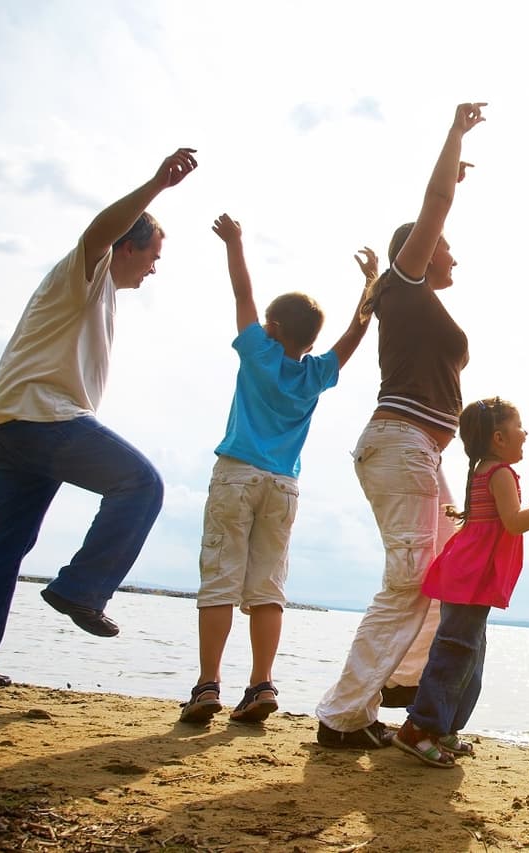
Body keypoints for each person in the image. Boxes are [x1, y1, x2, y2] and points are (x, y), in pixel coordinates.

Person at [0, 149, 199, 689]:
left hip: (10, 421)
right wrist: (156, 184)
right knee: (141, 484)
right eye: (152, 255)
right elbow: (99, 230)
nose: (154, 268)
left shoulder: (100, 292)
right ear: (127, 247)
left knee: (4, 542)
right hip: (43, 417)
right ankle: (81, 589)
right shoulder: (88, 269)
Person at [315, 102, 485, 749]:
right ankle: (342, 716)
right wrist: (455, 134)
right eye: (445, 245)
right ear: (418, 252)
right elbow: (436, 201)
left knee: (442, 578)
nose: (453, 254)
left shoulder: (416, 302)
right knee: (409, 583)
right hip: (400, 446)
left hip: (420, 455)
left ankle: (402, 695)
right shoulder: (404, 285)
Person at [177, 214, 374, 725]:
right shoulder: (316, 374)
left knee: (220, 582)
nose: (261, 325)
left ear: (276, 329)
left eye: (267, 322)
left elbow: (241, 291)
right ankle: (261, 684)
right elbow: (353, 335)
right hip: (284, 485)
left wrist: (235, 242)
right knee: (267, 589)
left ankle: (207, 685)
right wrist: (369, 288)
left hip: (237, 475)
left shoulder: (258, 353)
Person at [392, 398, 529, 767]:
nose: (525, 433)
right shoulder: (500, 472)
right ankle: (419, 728)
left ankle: (443, 727)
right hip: (471, 577)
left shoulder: (485, 469)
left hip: (469, 575)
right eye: (519, 426)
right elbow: (514, 523)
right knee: (455, 654)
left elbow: (502, 516)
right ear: (499, 438)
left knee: (468, 657)